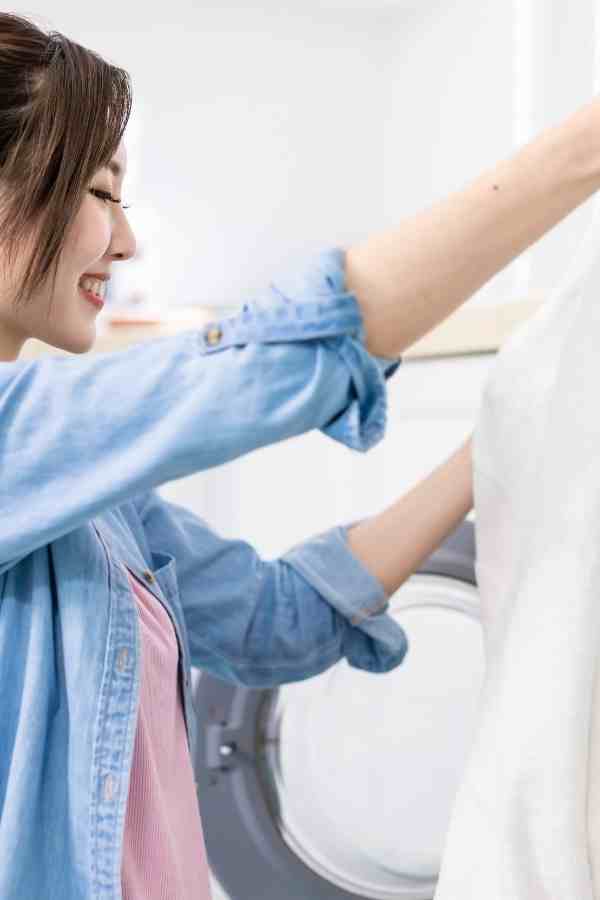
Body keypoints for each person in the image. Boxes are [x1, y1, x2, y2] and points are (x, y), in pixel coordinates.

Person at [1, 11, 599, 900]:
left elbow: (275, 620)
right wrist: (586, 147)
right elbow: (286, 357)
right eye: (97, 191)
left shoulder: (93, 505)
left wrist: (519, 426)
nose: (127, 241)